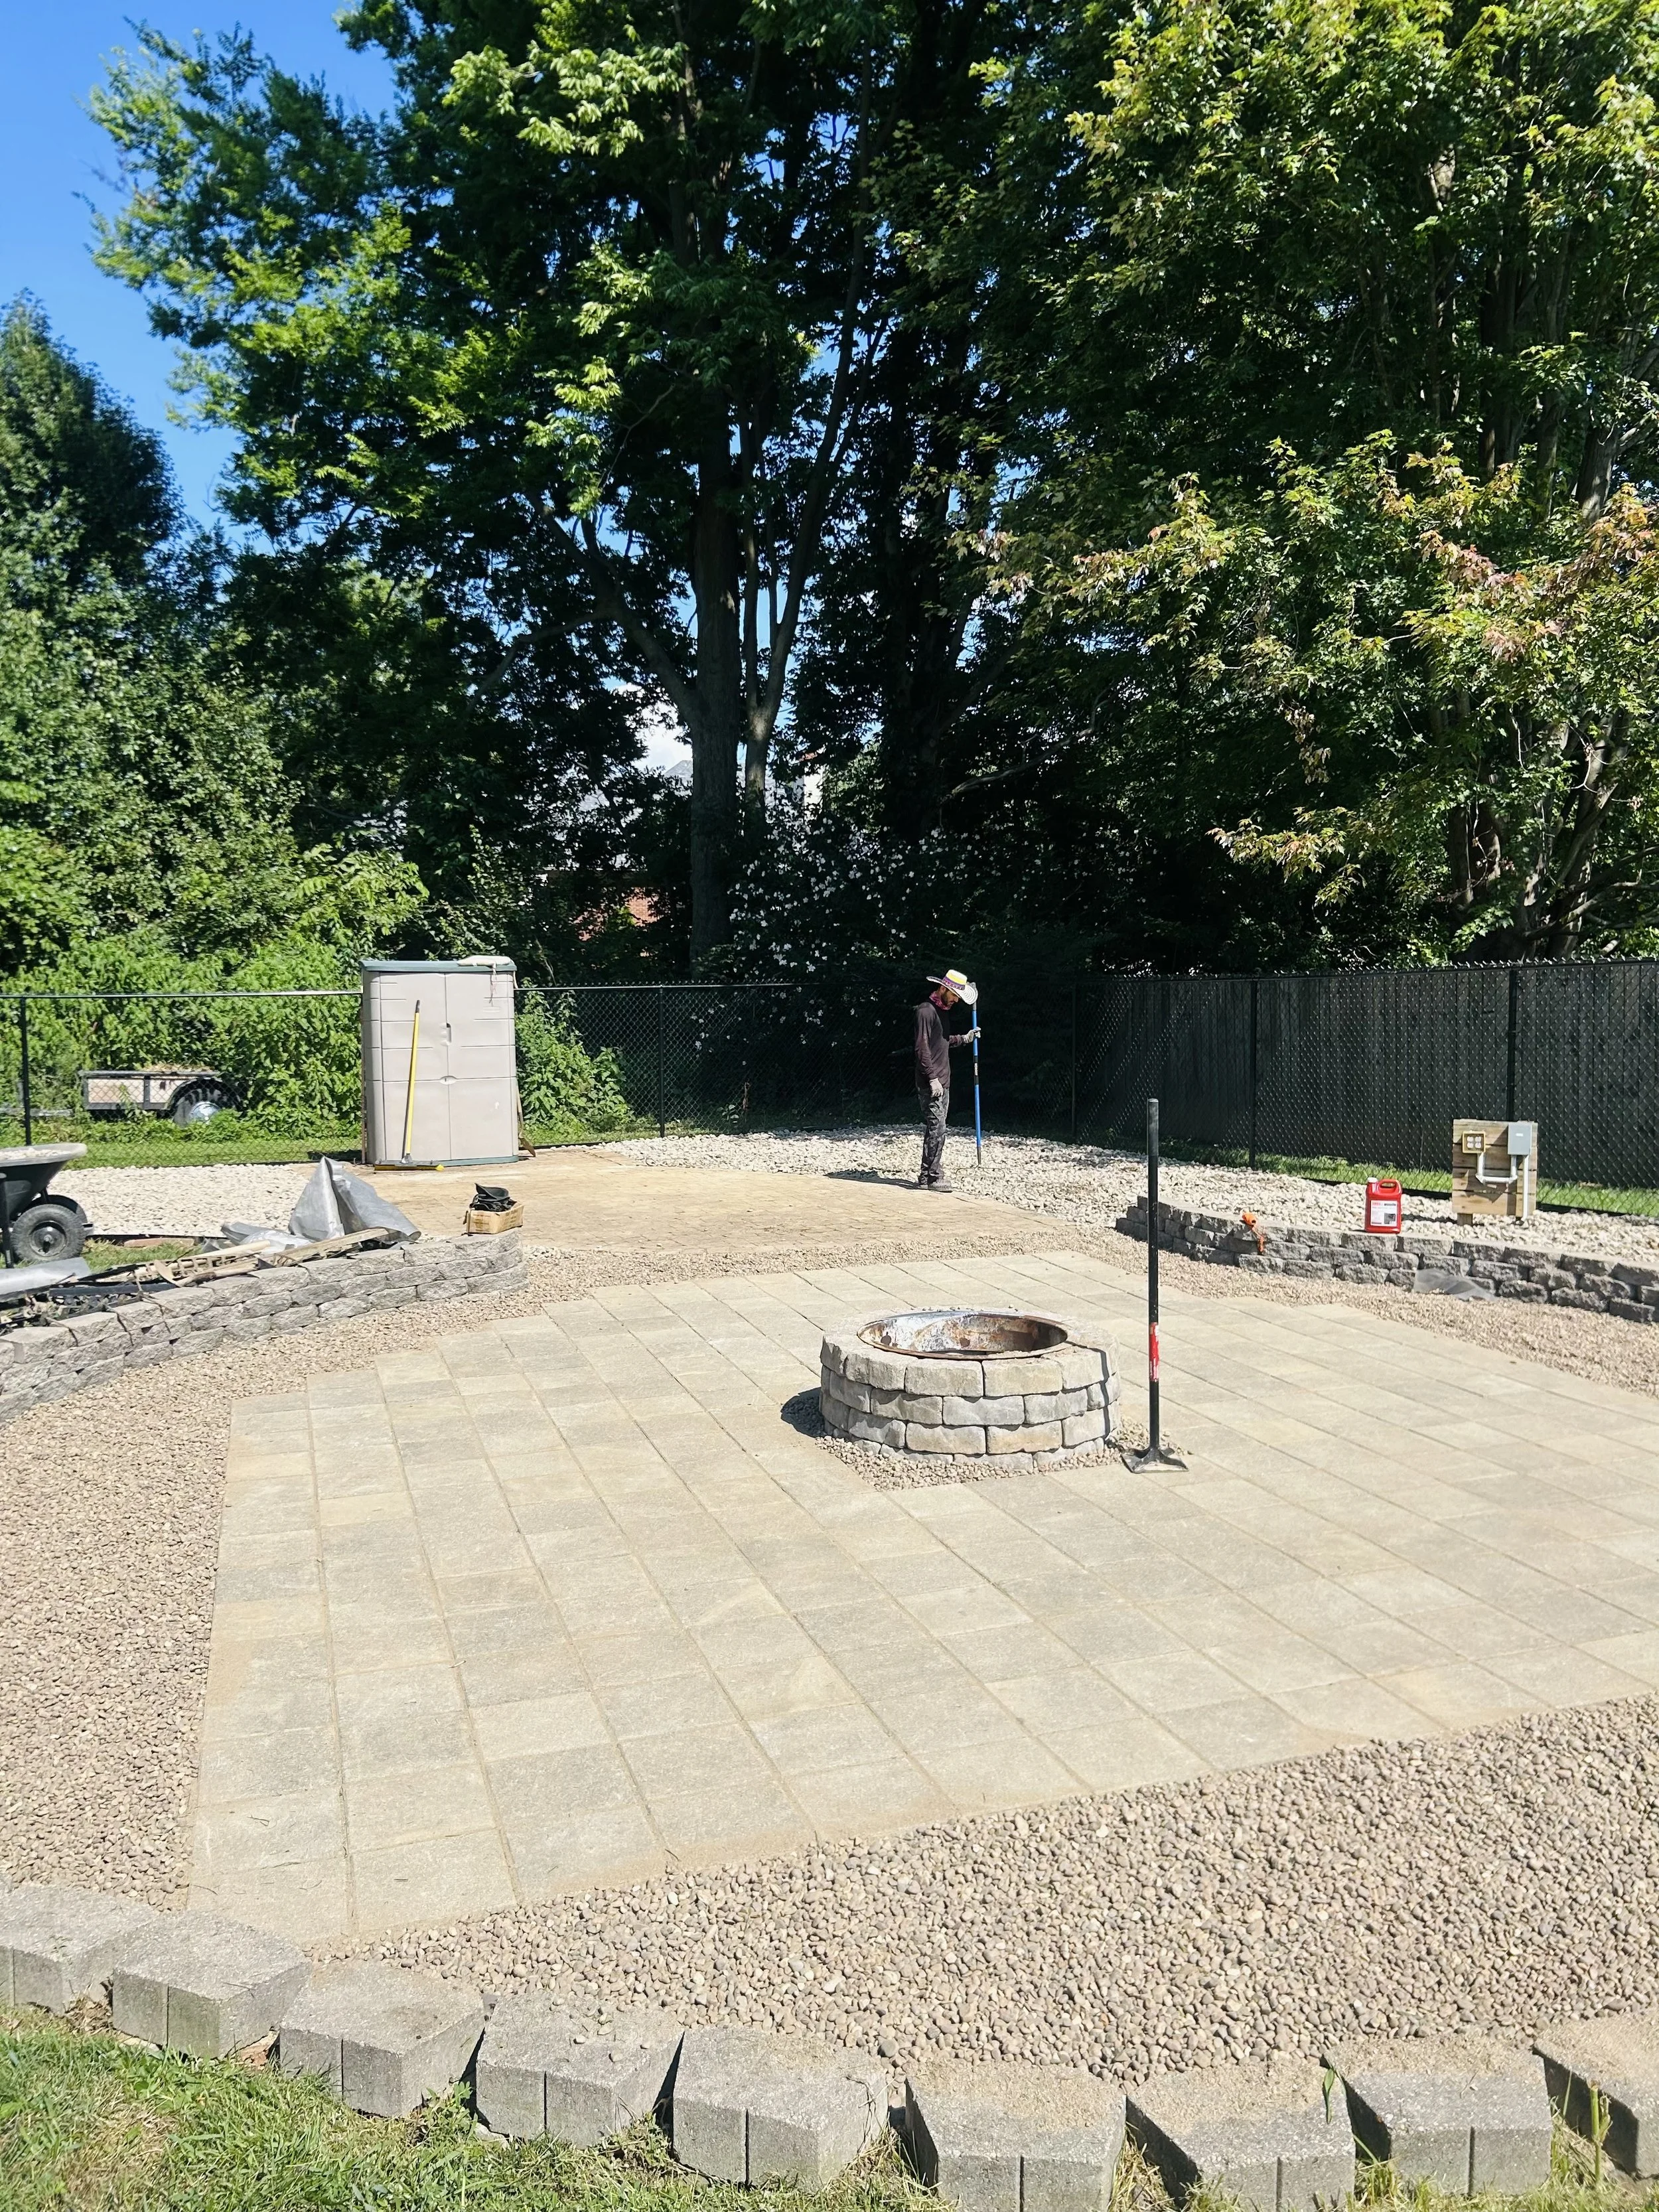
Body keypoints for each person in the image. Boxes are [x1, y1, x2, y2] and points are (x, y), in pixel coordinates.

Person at [914, 968, 978, 1191]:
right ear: (943, 988)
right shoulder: (926, 1011)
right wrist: (932, 1078)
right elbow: (922, 1048)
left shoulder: (942, 1011)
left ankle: (927, 1175)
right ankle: (932, 1177)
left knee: (937, 1128)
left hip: (943, 1080)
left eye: (959, 996)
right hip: (932, 1082)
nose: (956, 1000)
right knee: (937, 1127)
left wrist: (964, 1038)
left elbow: (941, 1041)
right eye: (954, 994)